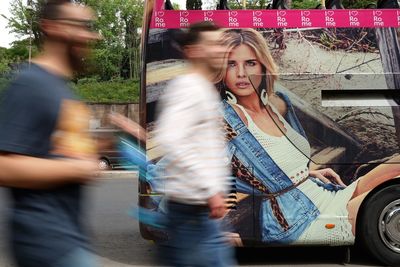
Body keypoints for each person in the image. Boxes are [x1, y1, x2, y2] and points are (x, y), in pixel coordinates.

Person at [216, 28, 400, 245]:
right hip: (298, 221)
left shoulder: (278, 103)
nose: (241, 73)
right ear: (220, 70)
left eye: (250, 63)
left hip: (324, 194)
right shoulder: (225, 118)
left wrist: (306, 172)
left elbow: (282, 157)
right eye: (231, 64)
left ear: (263, 65)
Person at [110, 22, 235, 266]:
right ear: (194, 51)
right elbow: (171, 138)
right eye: (215, 44)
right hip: (193, 215)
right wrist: (210, 191)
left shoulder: (201, 88)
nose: (223, 50)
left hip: (198, 216)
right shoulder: (189, 88)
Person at [0, 1, 100, 266]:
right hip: (46, 242)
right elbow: (3, 167)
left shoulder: (60, 88)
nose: (92, 35)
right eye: (82, 27)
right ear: (52, 27)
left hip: (66, 237)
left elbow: (53, 151)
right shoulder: (31, 83)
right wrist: (77, 169)